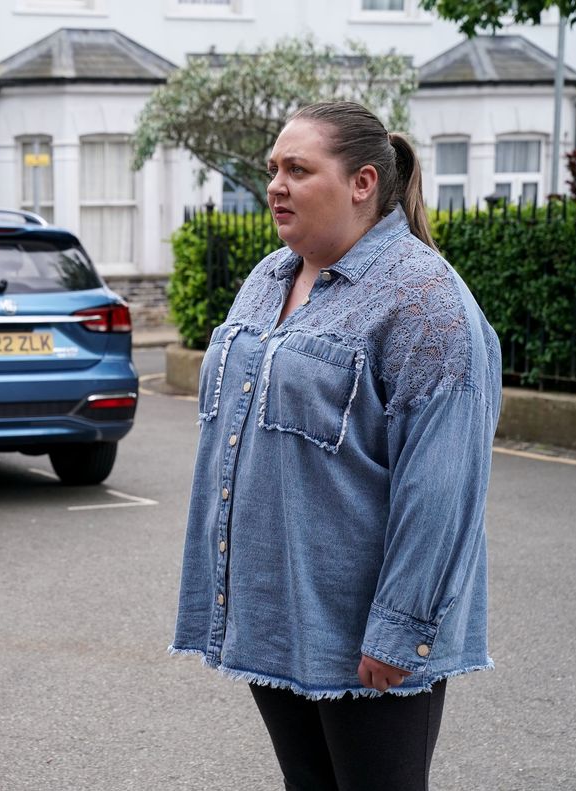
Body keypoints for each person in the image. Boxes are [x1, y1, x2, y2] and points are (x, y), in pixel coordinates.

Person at [171, 101, 501, 791]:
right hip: (276, 616)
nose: (276, 185)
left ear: (363, 182)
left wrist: (399, 627)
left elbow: (441, 485)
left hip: (363, 633)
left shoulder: (425, 302)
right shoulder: (270, 276)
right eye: (273, 169)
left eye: (298, 168)